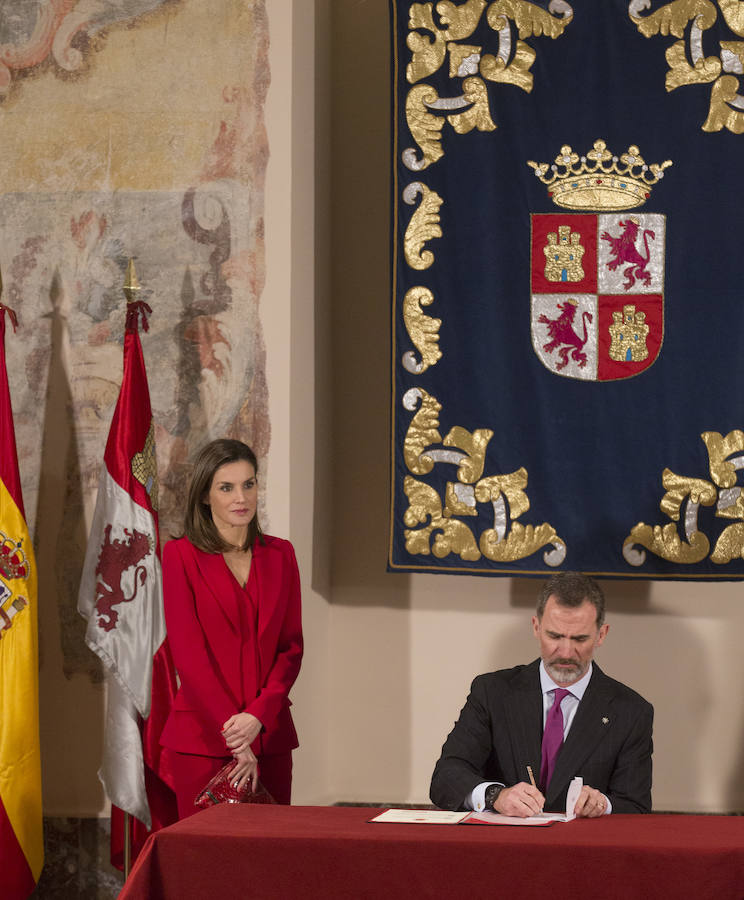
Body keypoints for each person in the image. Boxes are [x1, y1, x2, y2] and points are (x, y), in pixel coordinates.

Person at [430, 572, 653, 818]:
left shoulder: (631, 711)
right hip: (503, 848)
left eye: (579, 639)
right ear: (536, 627)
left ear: (601, 634)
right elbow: (446, 777)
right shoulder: (492, 692)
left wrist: (603, 804)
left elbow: (636, 806)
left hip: (581, 851)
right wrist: (497, 796)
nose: (566, 652)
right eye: (555, 636)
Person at [160, 438, 303, 818]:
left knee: (269, 861)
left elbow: (291, 649)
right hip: (203, 741)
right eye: (226, 487)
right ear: (206, 496)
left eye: (249, 484)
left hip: (269, 736)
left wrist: (258, 716)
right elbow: (188, 656)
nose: (241, 497)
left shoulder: (281, 555)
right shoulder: (179, 557)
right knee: (204, 865)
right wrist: (237, 739)